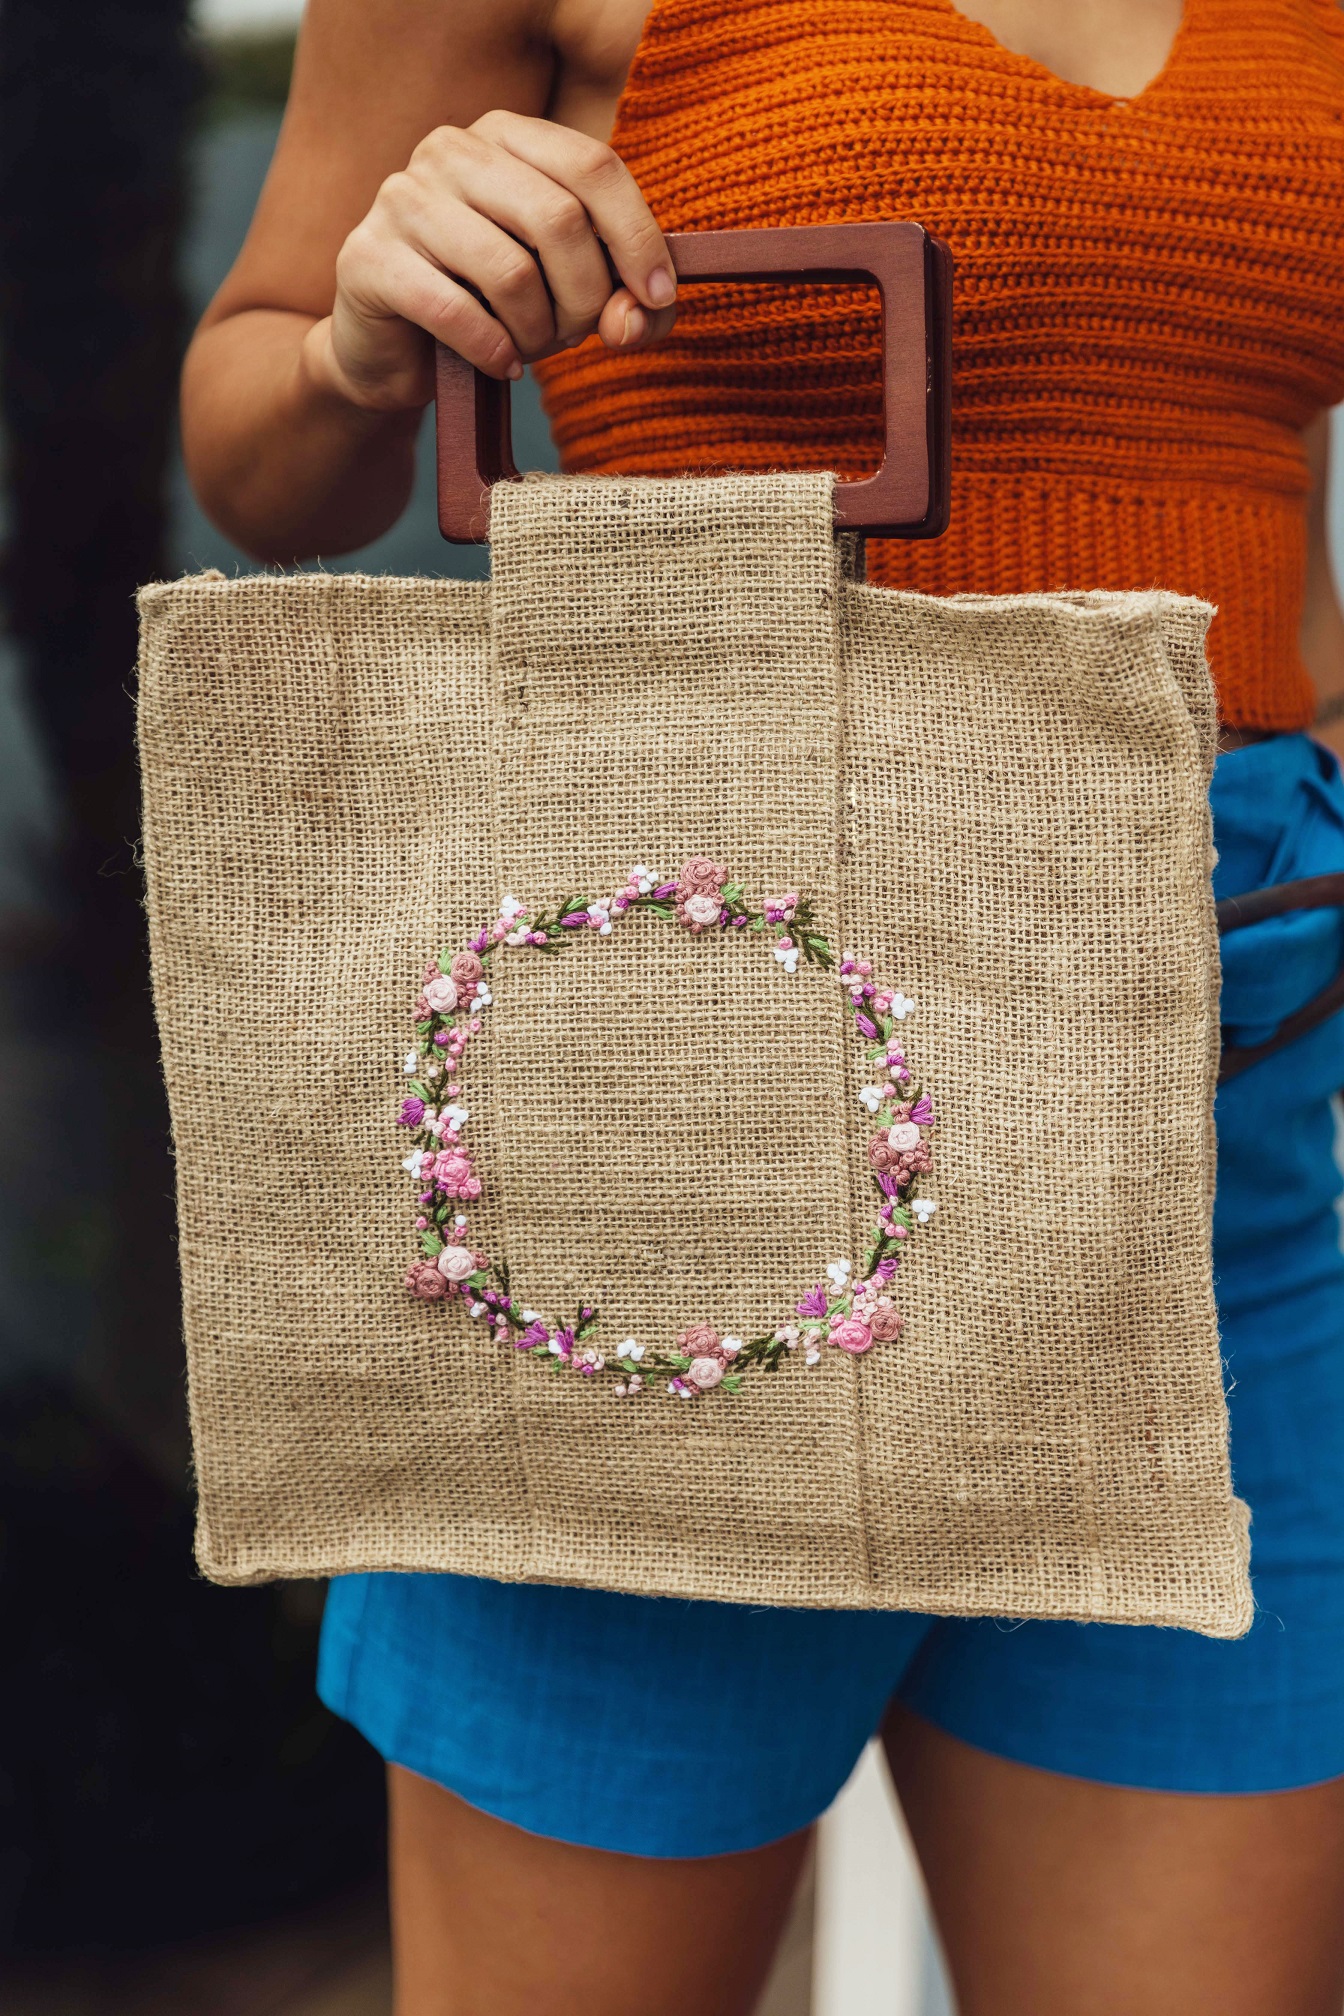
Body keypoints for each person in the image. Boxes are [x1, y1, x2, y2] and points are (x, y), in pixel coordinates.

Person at [180, 2, 1344, 2010]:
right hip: (679, 1146)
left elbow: (1241, 457)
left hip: (1211, 1182)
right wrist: (370, 343)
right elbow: (258, 441)